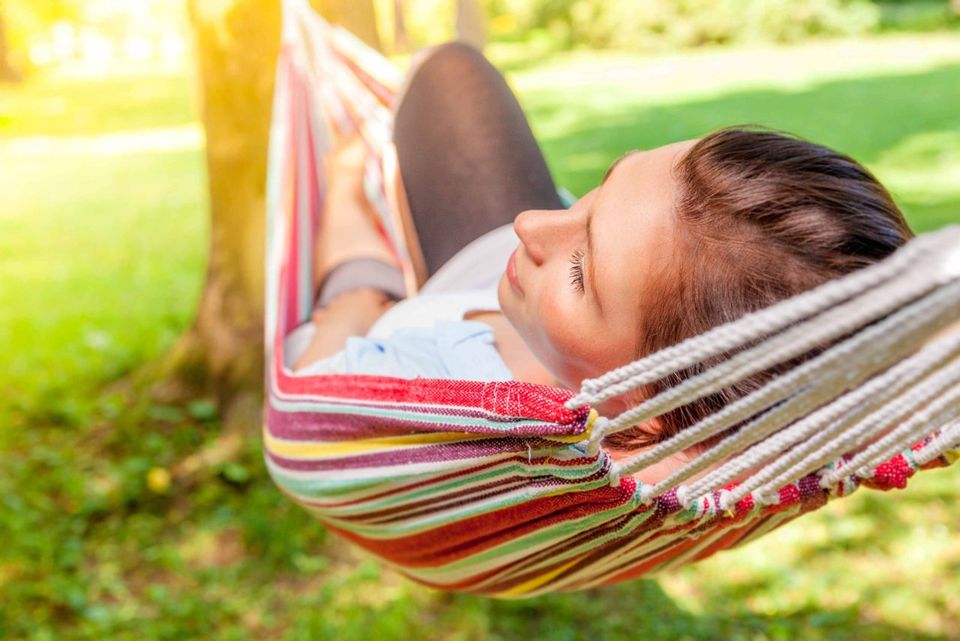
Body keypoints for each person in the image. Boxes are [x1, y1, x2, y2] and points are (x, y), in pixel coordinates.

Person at [285, 43, 913, 475]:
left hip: (406, 316)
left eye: (585, 274)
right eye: (604, 186)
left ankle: (347, 174)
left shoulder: (439, 396)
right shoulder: (723, 415)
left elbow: (310, 402)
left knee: (357, 266)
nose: (530, 223)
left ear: (656, 411)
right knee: (452, 71)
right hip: (499, 298)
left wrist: (358, 304)